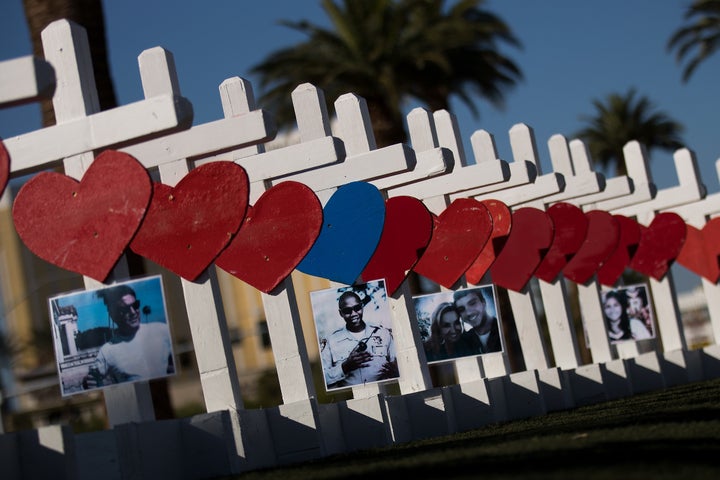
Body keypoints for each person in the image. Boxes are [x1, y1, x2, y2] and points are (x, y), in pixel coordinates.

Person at [82, 284, 174, 389]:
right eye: (125, 309)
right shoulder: (107, 351)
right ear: (113, 314)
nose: (133, 312)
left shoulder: (162, 330)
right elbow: (91, 380)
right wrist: (88, 382)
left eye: (135, 305)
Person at [320, 290, 399, 389]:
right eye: (347, 311)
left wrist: (396, 372)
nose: (353, 314)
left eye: (357, 308)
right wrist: (345, 367)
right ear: (341, 313)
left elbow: (398, 365)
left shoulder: (383, 333)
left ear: (362, 307)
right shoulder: (330, 342)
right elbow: (323, 379)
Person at [453, 288, 503, 354]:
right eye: (461, 309)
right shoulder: (463, 342)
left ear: (483, 302)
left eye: (472, 303)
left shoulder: (503, 328)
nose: (468, 313)